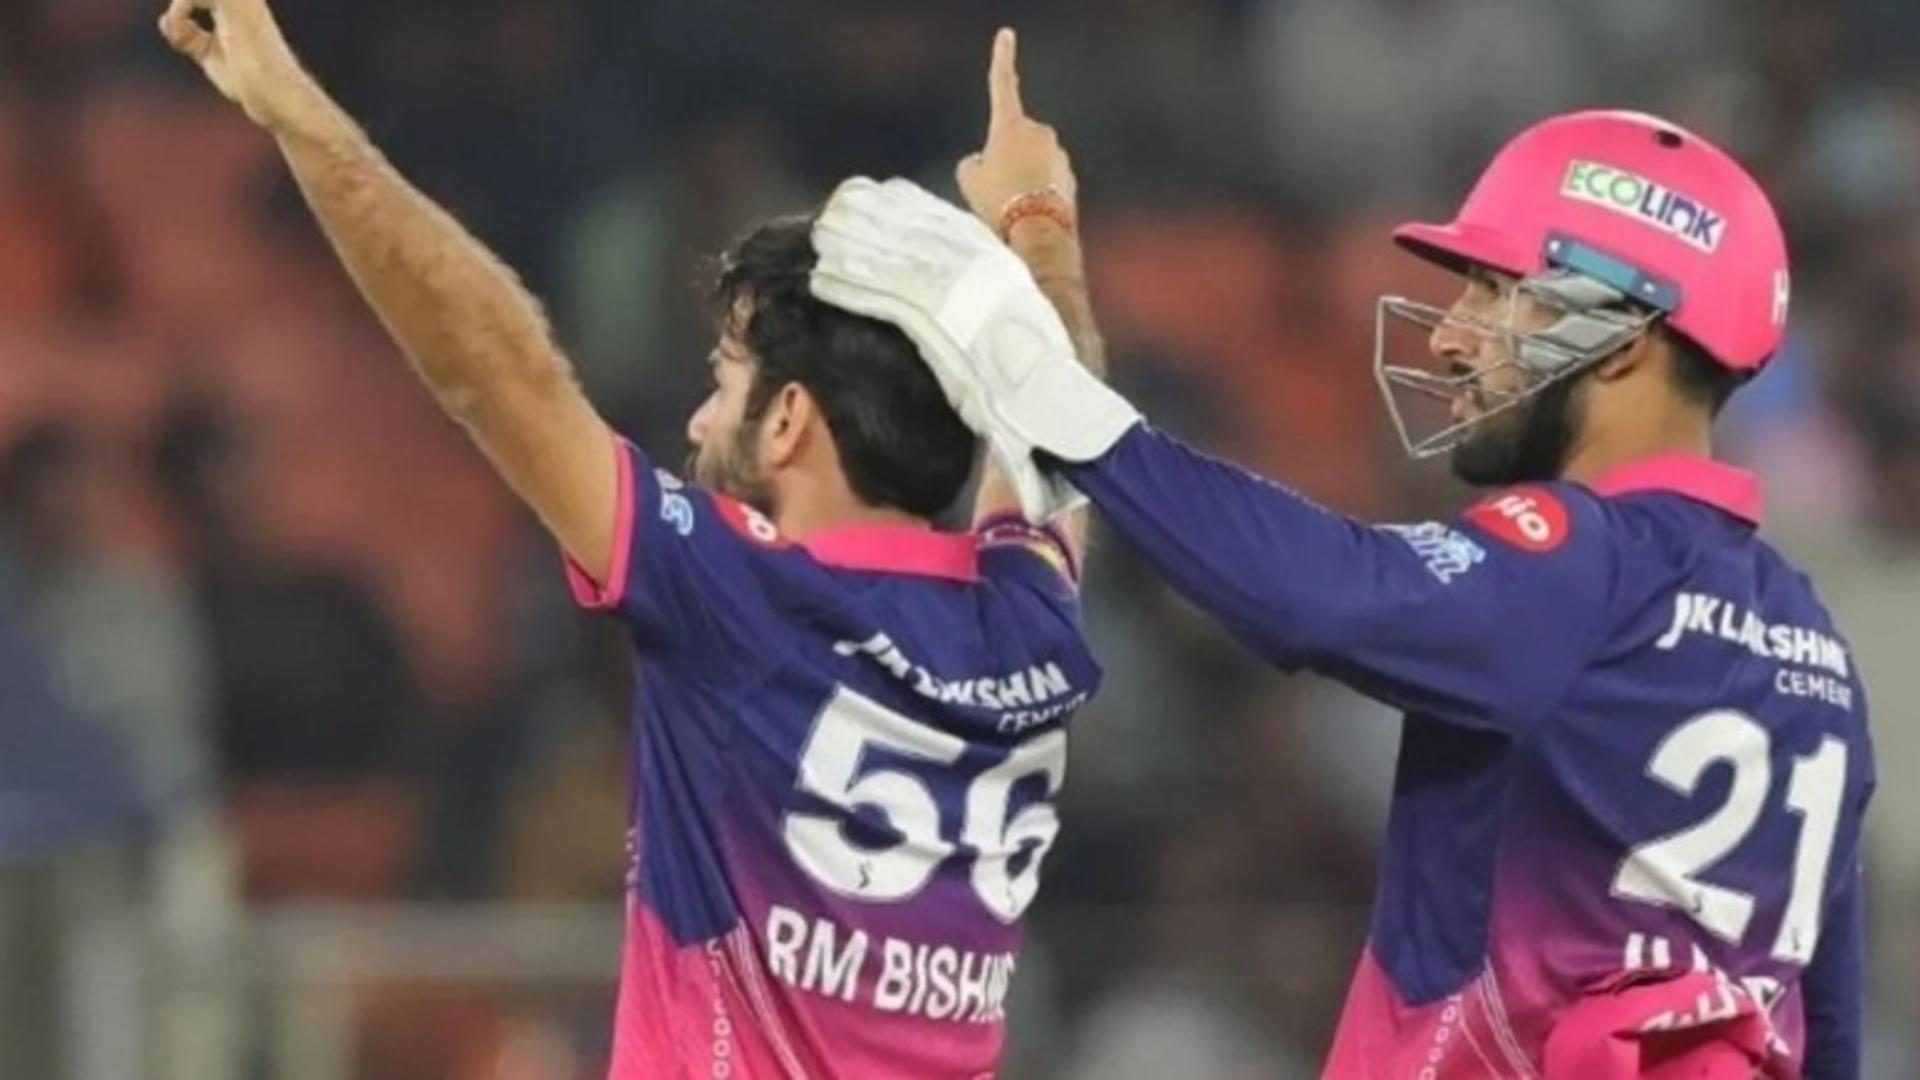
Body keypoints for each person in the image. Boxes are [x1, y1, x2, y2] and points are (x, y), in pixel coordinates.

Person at [812, 87, 1874, 1078]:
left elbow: (1318, 593)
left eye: (1498, 293)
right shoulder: (1812, 642)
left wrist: (1026, 369)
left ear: (1623, 341)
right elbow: (1827, 1025)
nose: (1451, 336)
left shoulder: (1588, 562)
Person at [161, 4, 1105, 1078]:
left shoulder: (735, 592)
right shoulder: (1027, 621)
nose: (699, 421)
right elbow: (1059, 412)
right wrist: (1039, 223)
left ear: (789, 421)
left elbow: (493, 368)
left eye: (726, 381)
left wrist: (298, 115)